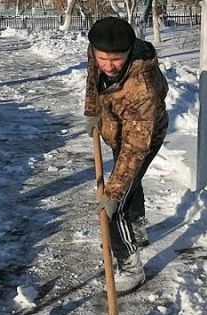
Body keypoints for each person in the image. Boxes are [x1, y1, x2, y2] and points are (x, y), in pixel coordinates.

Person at [84, 16, 168, 293]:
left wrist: (112, 194)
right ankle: (138, 229)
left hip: (143, 136)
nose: (108, 66)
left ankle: (131, 268)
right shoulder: (99, 52)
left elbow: (135, 148)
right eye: (102, 58)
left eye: (116, 60)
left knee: (115, 205)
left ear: (129, 52)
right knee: (131, 183)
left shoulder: (142, 89)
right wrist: (91, 111)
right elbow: (92, 76)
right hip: (118, 127)